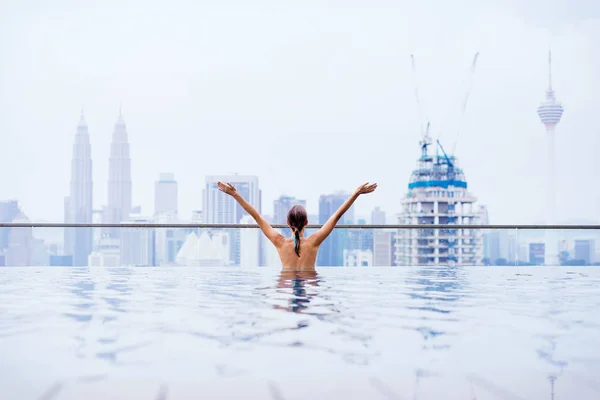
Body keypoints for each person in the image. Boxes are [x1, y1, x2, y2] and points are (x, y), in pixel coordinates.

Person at [217, 181, 377, 270]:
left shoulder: (279, 241)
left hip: (284, 288)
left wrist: (235, 195)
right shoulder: (314, 241)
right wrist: (356, 193)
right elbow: (337, 216)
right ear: (307, 223)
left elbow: (256, 216)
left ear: (287, 223)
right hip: (310, 287)